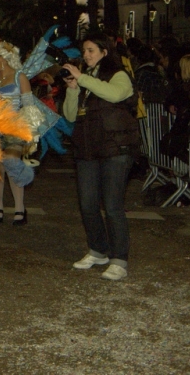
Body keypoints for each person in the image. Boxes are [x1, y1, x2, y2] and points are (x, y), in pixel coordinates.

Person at [61, 32, 140, 281]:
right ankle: (98, 250)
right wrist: (73, 90)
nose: (85, 55)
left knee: (113, 206)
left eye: (91, 50)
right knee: (87, 204)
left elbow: (115, 95)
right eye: (84, 51)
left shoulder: (119, 75)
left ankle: (119, 259)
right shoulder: (86, 80)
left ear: (105, 52)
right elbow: (71, 116)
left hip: (115, 148)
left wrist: (82, 78)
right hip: (88, 149)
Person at [0, 42, 35, 226]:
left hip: (14, 128)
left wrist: (32, 133)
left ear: (5, 58)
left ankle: (19, 207)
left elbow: (29, 106)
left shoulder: (19, 77)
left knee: (13, 164)